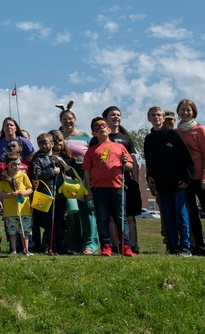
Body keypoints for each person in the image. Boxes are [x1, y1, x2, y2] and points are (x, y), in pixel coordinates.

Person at [143, 107, 195, 257]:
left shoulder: (173, 135)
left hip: (178, 184)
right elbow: (150, 162)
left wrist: (186, 178)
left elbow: (187, 159)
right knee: (168, 217)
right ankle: (173, 246)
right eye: (153, 115)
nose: (156, 117)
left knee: (181, 215)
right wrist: (150, 177)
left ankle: (185, 247)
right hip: (161, 185)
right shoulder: (149, 139)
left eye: (159, 115)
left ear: (163, 117)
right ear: (149, 118)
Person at [91, 106, 143, 253]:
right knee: (109, 218)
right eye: (112, 115)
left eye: (118, 115)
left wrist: (135, 181)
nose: (116, 117)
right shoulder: (97, 139)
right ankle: (114, 246)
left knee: (128, 217)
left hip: (124, 183)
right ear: (105, 119)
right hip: (103, 185)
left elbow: (133, 163)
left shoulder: (126, 138)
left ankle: (132, 246)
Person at [82, 117, 134, 257]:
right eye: (97, 127)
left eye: (103, 125)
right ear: (94, 133)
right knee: (102, 218)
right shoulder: (91, 151)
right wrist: (88, 189)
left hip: (117, 187)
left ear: (109, 129)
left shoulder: (120, 147)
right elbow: (86, 170)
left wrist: (125, 162)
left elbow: (129, 166)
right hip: (98, 188)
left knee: (120, 218)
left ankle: (125, 245)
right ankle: (106, 245)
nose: (101, 128)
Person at [176, 99, 205, 256]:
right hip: (186, 180)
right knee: (192, 213)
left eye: (188, 110)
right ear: (178, 112)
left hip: (201, 178)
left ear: (193, 112)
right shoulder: (177, 132)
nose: (185, 112)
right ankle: (200, 246)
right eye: (182, 110)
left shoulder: (200, 130)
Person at [59, 105, 99, 255]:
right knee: (72, 212)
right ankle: (74, 244)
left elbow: (95, 154)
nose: (68, 122)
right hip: (67, 179)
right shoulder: (60, 137)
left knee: (87, 210)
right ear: (60, 121)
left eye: (70, 119)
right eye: (64, 119)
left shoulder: (86, 135)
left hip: (84, 176)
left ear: (75, 120)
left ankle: (90, 245)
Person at [29, 132, 69, 255]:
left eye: (45, 143)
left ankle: (60, 246)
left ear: (52, 143)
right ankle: (48, 246)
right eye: (40, 144)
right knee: (48, 223)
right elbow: (37, 174)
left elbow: (69, 172)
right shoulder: (38, 159)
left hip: (60, 195)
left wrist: (61, 164)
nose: (43, 146)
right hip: (45, 194)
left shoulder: (58, 158)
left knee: (60, 222)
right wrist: (53, 171)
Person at [0, 155, 33, 255]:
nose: (17, 167)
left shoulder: (23, 175)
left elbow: (30, 189)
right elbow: (0, 193)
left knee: (25, 230)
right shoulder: (4, 178)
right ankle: (13, 249)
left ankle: (25, 249)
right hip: (10, 210)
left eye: (18, 164)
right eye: (14, 164)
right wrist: (10, 195)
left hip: (24, 209)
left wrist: (24, 192)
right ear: (7, 165)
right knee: (12, 231)